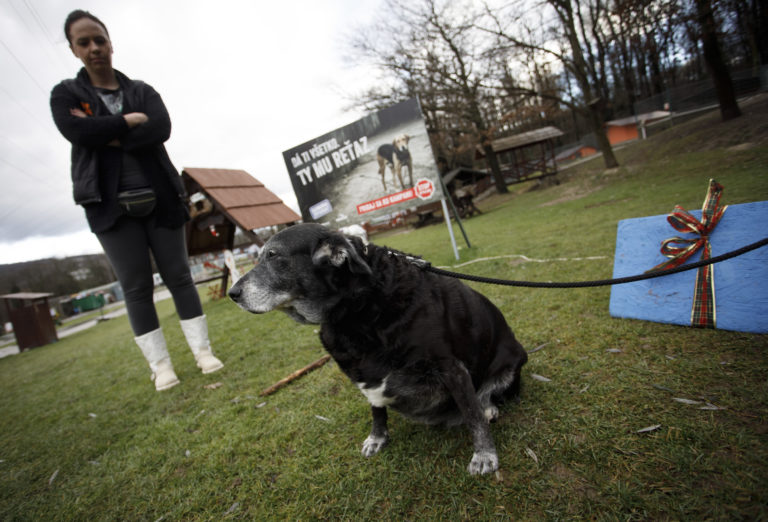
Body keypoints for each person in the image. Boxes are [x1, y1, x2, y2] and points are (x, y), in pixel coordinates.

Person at [50, 10, 223, 391]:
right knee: (136, 286)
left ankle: (203, 352)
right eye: (84, 42)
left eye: (99, 39)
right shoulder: (67, 94)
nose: (94, 48)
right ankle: (161, 367)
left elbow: (161, 127)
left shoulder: (142, 90)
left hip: (161, 196)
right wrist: (128, 122)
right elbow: (74, 129)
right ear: (74, 49)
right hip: (108, 205)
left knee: (179, 276)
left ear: (110, 42)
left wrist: (103, 133)